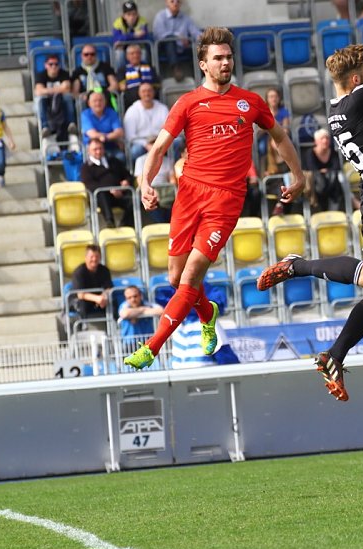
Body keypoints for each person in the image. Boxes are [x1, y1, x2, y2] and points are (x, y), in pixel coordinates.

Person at [255, 1, 363, 401]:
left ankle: (335, 354)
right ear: (352, 81)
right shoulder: (357, 101)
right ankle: (298, 265)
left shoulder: (341, 106)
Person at [123, 27, 304, 370]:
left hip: (226, 201)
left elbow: (279, 137)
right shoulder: (188, 103)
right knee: (175, 279)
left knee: (190, 277)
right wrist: (145, 183)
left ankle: (152, 347)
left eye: (228, 57)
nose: (225, 62)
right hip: (189, 195)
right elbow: (160, 147)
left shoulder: (250, 102)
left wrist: (299, 175)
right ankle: (208, 313)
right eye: (217, 58)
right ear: (203, 64)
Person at [81, 137, 136, 228]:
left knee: (133, 200)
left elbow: (128, 175)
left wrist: (126, 181)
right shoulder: (86, 168)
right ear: (89, 151)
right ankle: (109, 221)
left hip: (119, 194)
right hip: (101, 198)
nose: (98, 151)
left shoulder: (114, 161)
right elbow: (90, 185)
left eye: (100, 148)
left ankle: (125, 226)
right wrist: (110, 190)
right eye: (95, 149)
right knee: (101, 194)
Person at [34, 53, 77, 140]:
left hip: (61, 100)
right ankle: (45, 127)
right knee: (40, 99)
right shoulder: (40, 75)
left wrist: (48, 90)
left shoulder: (64, 74)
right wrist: (59, 89)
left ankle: (71, 124)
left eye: (56, 64)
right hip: (47, 101)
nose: (53, 66)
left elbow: (67, 88)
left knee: (68, 97)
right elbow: (38, 91)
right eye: (50, 64)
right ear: (46, 65)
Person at [123, 83, 169, 162]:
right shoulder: (132, 110)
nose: (147, 93)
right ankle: (137, 173)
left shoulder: (163, 108)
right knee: (135, 150)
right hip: (141, 143)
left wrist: (158, 143)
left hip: (160, 140)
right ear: (139, 94)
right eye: (144, 91)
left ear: (153, 92)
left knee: (177, 143)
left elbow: (169, 128)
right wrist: (146, 145)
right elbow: (130, 136)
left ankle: (173, 169)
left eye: (149, 91)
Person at [152, 0, 202, 70]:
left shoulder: (185, 18)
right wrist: (178, 38)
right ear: (166, 2)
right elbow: (159, 35)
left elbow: (195, 32)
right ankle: (175, 69)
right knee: (170, 40)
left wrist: (202, 37)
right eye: (172, 1)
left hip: (183, 47)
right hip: (164, 48)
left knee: (197, 48)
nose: (175, 3)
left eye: (178, 1)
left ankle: (201, 74)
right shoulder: (160, 16)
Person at [304, 128, 345, 212]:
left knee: (338, 180)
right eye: (322, 138)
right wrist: (324, 172)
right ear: (316, 141)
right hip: (316, 184)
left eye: (327, 138)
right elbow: (312, 169)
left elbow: (337, 168)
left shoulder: (334, 153)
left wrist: (325, 171)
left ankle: (333, 211)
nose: (325, 141)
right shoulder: (310, 153)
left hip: (332, 183)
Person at [81, 89, 126, 163]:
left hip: (111, 146)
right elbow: (92, 134)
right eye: (95, 101)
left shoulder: (111, 113)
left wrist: (104, 137)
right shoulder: (85, 115)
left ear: (105, 102)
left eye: (100, 100)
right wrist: (110, 136)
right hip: (93, 148)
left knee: (120, 157)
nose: (98, 103)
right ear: (89, 103)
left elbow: (119, 132)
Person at [71, 244, 113, 322]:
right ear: (86, 258)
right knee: (82, 305)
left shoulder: (104, 270)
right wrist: (97, 299)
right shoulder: (79, 272)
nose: (94, 259)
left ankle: (115, 326)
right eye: (91, 257)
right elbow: (80, 294)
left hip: (98, 300)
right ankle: (83, 327)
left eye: (97, 256)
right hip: (82, 300)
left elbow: (108, 288)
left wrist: (104, 297)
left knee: (112, 302)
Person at [118, 285, 163, 351]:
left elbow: (161, 311)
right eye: (129, 298)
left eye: (135, 296)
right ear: (126, 299)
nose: (133, 299)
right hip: (129, 344)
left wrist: (134, 313)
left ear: (140, 295)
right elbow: (125, 314)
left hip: (147, 343)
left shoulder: (148, 304)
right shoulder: (124, 305)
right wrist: (143, 309)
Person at [116, 44, 160, 110]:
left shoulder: (150, 67)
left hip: (150, 99)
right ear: (127, 56)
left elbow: (157, 84)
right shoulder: (122, 69)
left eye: (138, 53)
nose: (135, 56)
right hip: (132, 101)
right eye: (132, 54)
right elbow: (122, 87)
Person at [112, 1, 151, 67]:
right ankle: (121, 74)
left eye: (134, 14)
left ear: (137, 14)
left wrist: (124, 38)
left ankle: (144, 72)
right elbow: (117, 38)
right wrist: (134, 35)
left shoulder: (142, 21)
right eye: (128, 14)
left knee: (143, 52)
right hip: (123, 47)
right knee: (119, 53)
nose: (131, 17)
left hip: (138, 45)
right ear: (124, 16)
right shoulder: (117, 22)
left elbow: (144, 37)